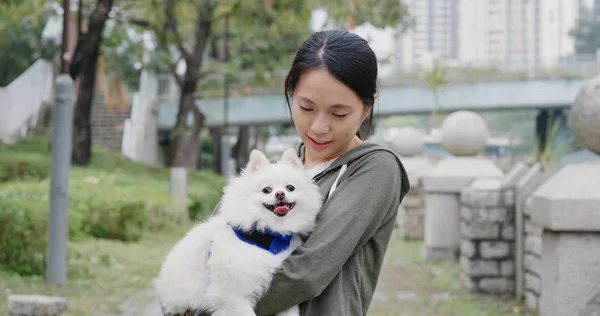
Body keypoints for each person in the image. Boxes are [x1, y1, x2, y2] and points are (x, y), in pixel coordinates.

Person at [194, 29, 409, 316]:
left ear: (367, 107)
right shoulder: (279, 173)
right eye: (306, 107)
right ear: (291, 95)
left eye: (339, 114)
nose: (319, 127)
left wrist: (211, 307)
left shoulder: (375, 169)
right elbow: (211, 240)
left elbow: (308, 271)